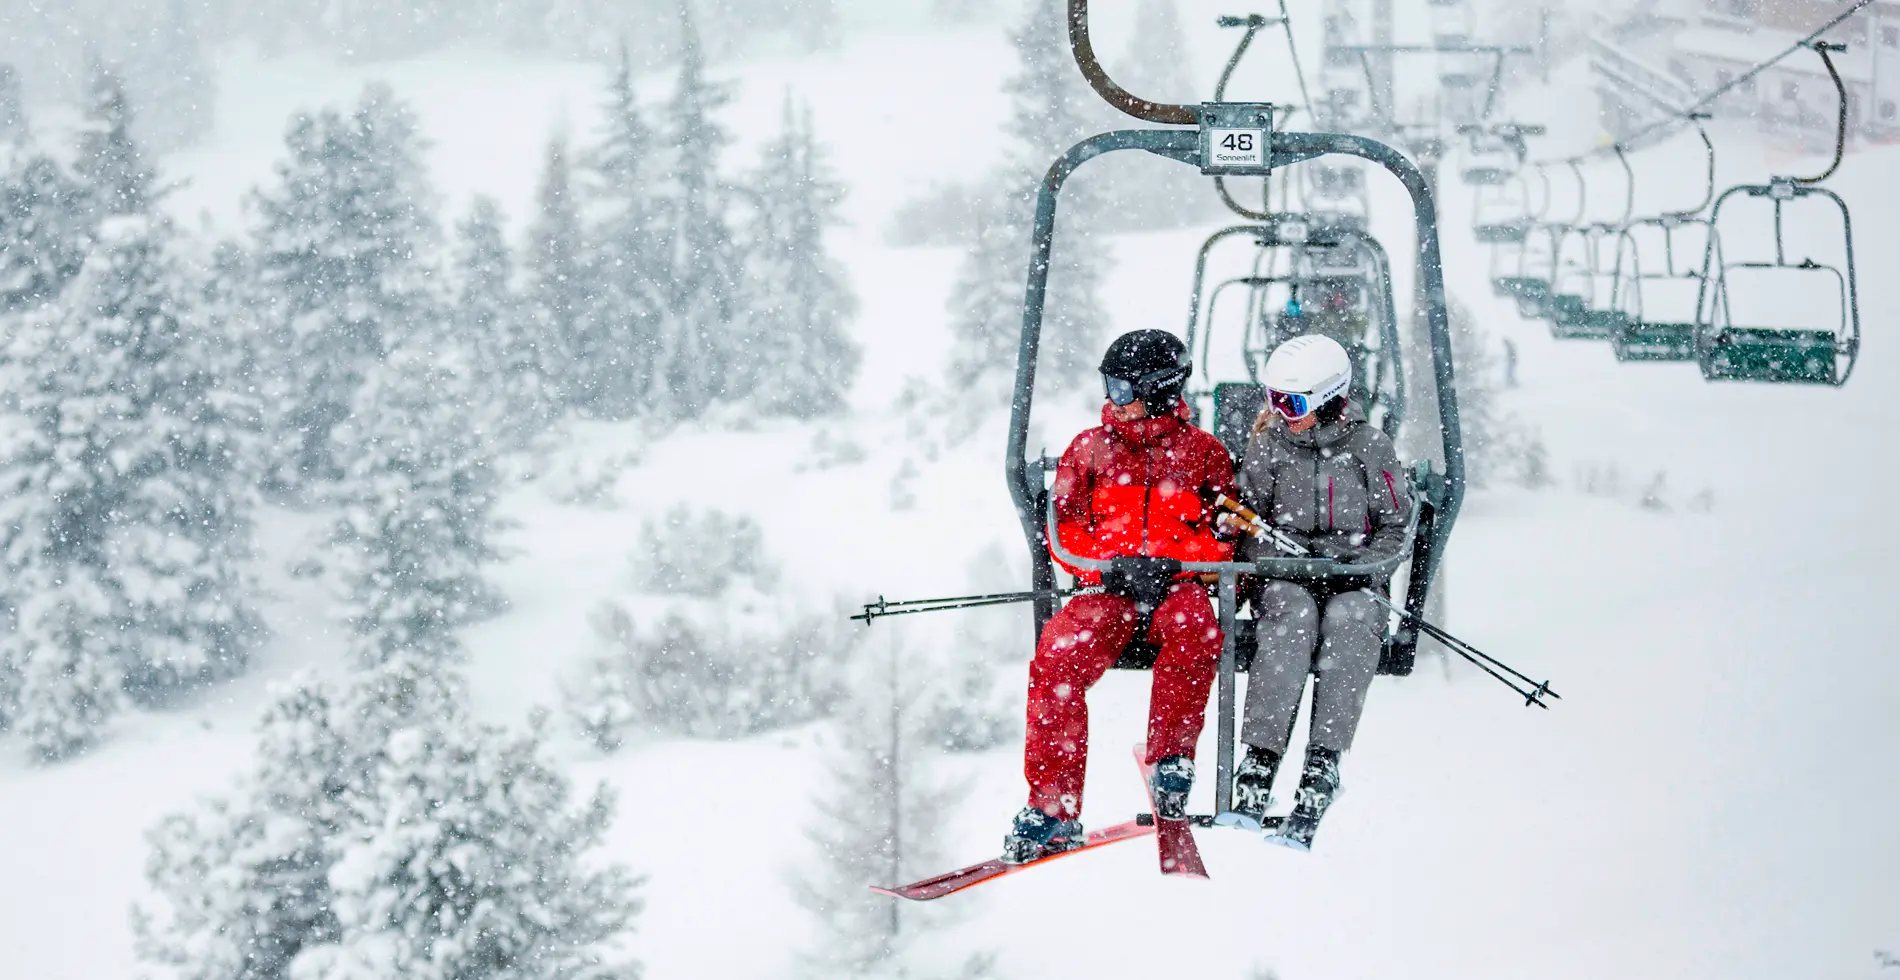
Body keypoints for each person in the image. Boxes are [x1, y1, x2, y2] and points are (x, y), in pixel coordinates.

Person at [1003, 329, 1237, 864]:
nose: (1115, 399)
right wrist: (1111, 565)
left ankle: (1171, 760)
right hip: (1107, 589)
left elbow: (1228, 534)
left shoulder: (1203, 455)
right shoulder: (1089, 450)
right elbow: (1063, 528)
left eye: (1124, 388)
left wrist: (1177, 560)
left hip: (1178, 585)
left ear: (1157, 390)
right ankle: (1053, 808)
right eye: (1111, 386)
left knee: (1196, 633)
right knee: (1058, 656)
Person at [1222, 334, 1410, 851]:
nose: (1281, 413)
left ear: (1329, 397)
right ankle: (1260, 759)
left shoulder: (1369, 448)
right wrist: (1279, 560)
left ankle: (1323, 762)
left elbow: (1396, 526)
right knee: (1293, 616)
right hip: (1286, 579)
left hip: (1352, 578)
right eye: (1274, 399)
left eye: (1293, 402)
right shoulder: (1267, 446)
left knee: (1351, 619)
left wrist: (1360, 564)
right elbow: (1251, 524)